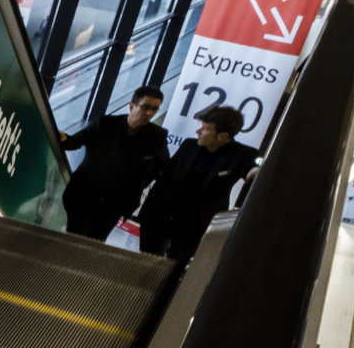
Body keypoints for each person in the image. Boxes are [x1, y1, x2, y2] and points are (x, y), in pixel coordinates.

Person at [137, 105, 261, 264]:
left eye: (204, 128)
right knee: (144, 261)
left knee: (174, 268)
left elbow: (249, 169)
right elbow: (165, 177)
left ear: (222, 136)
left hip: (194, 226)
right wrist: (147, 211)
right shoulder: (189, 145)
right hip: (160, 215)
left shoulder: (242, 154)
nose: (198, 132)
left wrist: (254, 171)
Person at [57, 85, 170, 240]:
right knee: (74, 238)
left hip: (114, 205)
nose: (149, 113)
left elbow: (163, 167)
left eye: (155, 109)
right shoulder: (105, 124)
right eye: (145, 107)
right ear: (132, 106)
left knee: (94, 244)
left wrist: (140, 183)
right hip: (84, 195)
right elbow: (76, 141)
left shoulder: (157, 137)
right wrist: (63, 138)